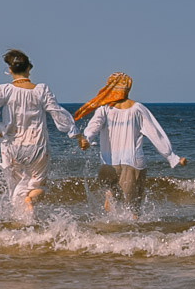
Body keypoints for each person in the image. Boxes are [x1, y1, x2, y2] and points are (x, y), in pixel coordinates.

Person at [0, 49, 76, 221]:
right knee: (38, 186)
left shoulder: (4, 90)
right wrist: (74, 132)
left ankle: (20, 222)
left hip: (11, 147)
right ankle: (29, 204)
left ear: (10, 70)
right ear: (29, 68)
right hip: (37, 147)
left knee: (14, 186)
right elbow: (56, 112)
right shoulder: (41, 90)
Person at [75, 73, 184, 212]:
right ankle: (132, 224)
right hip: (132, 163)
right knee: (134, 209)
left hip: (108, 165)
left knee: (114, 202)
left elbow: (93, 127)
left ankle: (110, 201)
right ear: (128, 88)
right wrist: (171, 156)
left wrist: (87, 139)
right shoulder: (138, 109)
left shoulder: (104, 109)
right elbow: (155, 134)